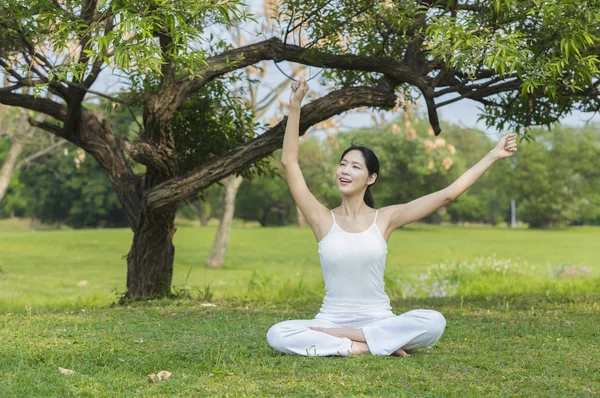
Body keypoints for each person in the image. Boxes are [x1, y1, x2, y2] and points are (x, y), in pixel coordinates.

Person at [266, 77, 518, 357]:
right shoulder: (321, 219)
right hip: (330, 320)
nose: (345, 171)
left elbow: (447, 194)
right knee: (277, 333)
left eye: (355, 167)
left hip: (379, 320)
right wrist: (295, 105)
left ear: (370, 178)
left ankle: (347, 341)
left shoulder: (384, 219)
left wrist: (493, 155)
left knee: (434, 321)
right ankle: (364, 346)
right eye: (342, 164)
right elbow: (289, 162)